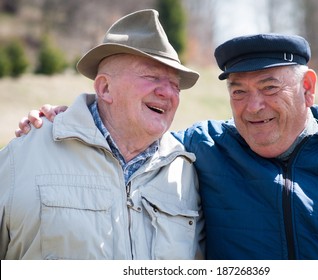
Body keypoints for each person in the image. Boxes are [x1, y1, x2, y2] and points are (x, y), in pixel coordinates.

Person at [14, 34, 318, 259]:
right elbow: (132, 133)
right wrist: (69, 119)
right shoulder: (206, 147)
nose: (253, 106)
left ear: (307, 88)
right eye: (238, 91)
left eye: (270, 88)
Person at [0, 9, 204, 260]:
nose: (168, 93)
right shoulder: (23, 156)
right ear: (105, 88)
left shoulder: (185, 171)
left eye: (175, 85)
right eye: (152, 77)